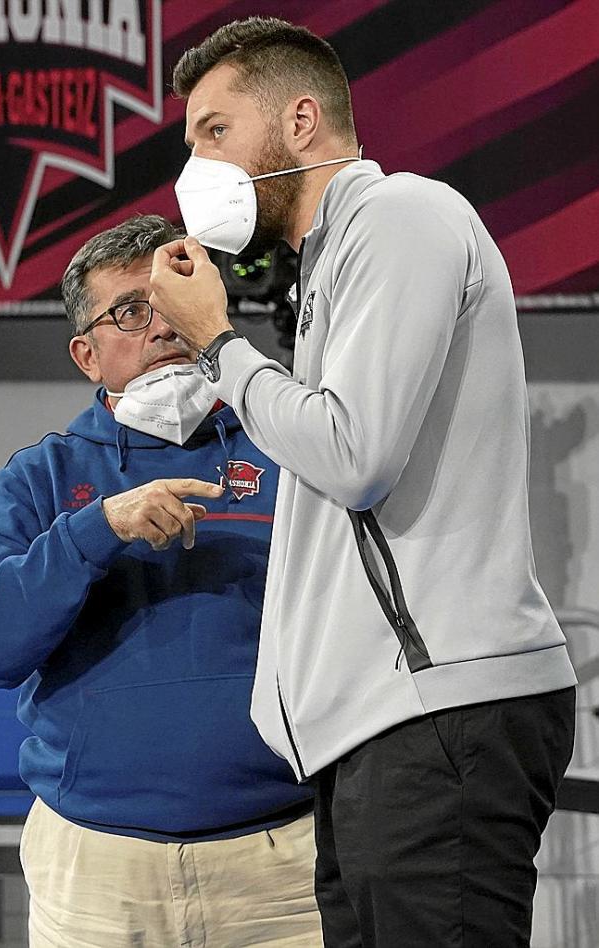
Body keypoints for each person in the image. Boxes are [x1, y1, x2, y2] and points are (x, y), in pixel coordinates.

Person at [147, 17, 578, 948]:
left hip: (438, 713)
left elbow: (355, 455)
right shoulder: (331, 263)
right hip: (375, 731)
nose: (196, 170)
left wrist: (223, 345)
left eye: (215, 132)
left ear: (302, 121)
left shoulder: (402, 215)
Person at [0, 214, 323, 948]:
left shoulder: (291, 447)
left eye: (173, 299)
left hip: (279, 863)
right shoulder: (38, 479)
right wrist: (95, 531)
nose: (161, 326)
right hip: (96, 868)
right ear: (87, 354)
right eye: (129, 311)